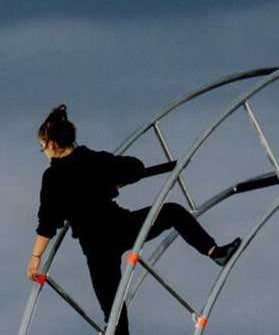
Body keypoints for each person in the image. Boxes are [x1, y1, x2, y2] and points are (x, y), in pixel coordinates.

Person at [26, 105, 240, 335]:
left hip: (97, 246)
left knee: (115, 318)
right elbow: (135, 168)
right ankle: (214, 251)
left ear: (51, 144)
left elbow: (47, 223)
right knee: (173, 212)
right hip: (121, 226)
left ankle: (215, 253)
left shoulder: (53, 177)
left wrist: (35, 258)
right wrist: (114, 182)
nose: (45, 154)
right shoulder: (91, 158)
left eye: (42, 148)